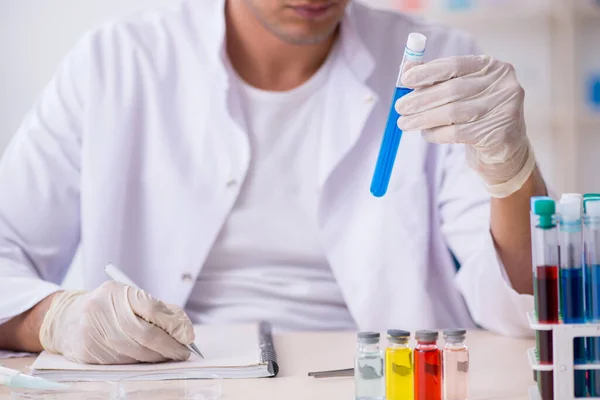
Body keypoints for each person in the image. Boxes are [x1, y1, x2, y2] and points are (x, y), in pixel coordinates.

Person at [0, 0, 544, 365]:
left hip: (386, 375)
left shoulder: (445, 66)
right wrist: (55, 321)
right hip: (171, 376)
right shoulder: (117, 64)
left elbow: (527, 304)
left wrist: (511, 168)